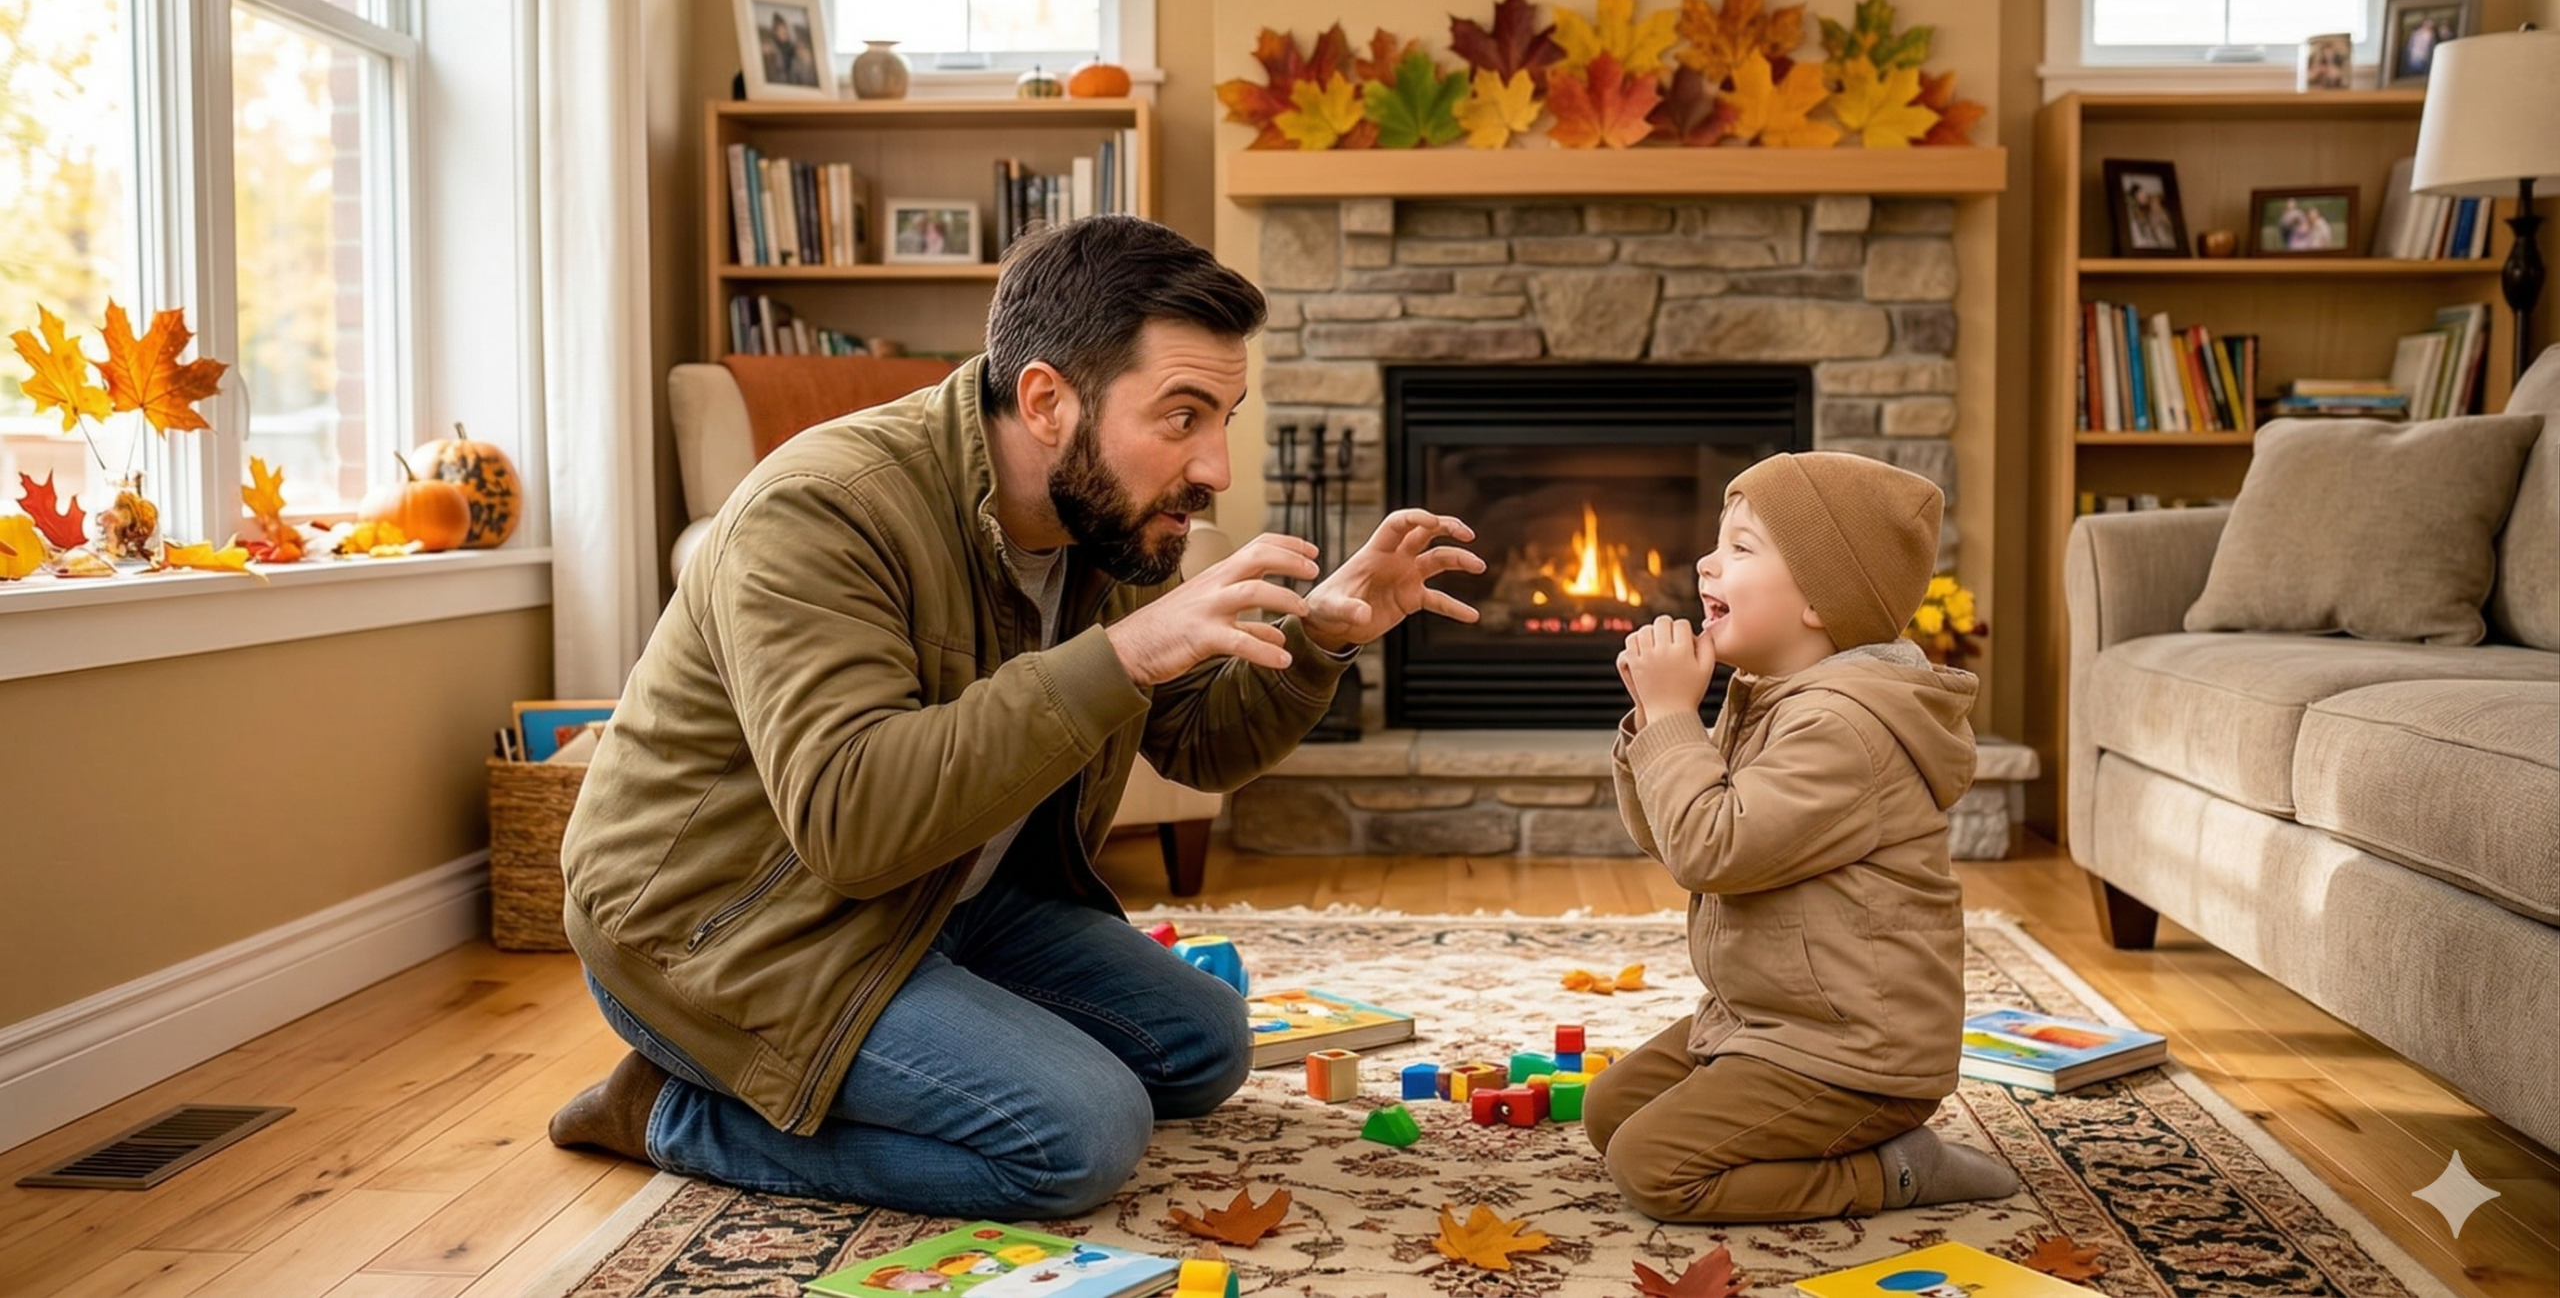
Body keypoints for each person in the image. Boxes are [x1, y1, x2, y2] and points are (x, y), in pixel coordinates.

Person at [547, 215, 1484, 1219]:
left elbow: (1199, 748)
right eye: (1181, 417)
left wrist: (1320, 643)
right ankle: (666, 1112)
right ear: (1046, 401)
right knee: (1077, 1138)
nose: (1214, 467)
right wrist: (1126, 652)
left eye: (1226, 418)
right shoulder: (822, 508)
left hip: (950, 896)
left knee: (1207, 1044)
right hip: (731, 926)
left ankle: (897, 1044)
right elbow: (849, 826)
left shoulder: (1098, 520)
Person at [1586, 451, 2019, 1222]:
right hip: (1769, 1020)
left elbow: (1709, 849)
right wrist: (1656, 723)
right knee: (1607, 1112)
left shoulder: (1843, 727)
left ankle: (1895, 1171)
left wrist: (1676, 718)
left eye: (1740, 548)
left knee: (1652, 1169)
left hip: (1855, 1053)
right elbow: (1672, 832)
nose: (1705, 562)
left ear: (1820, 600)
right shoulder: (1770, 696)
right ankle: (1805, 1133)